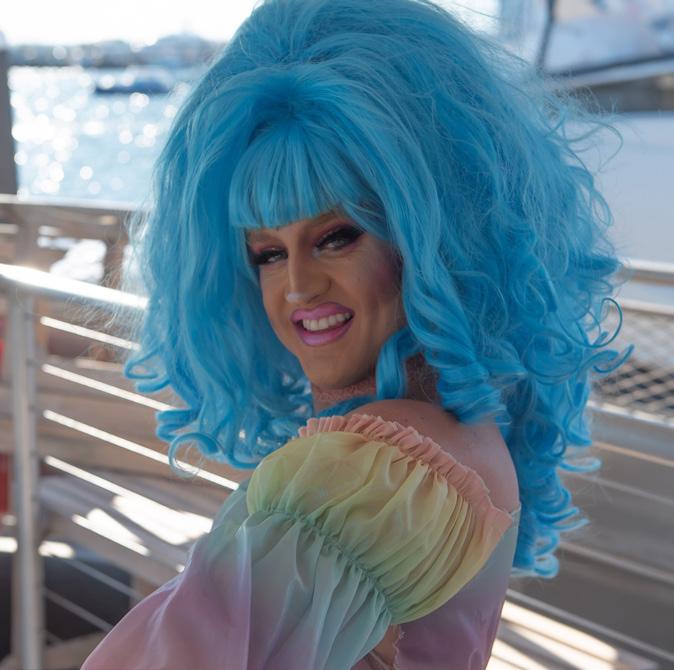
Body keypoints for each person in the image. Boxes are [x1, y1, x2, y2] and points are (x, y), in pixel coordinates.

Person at [82, 0, 632, 668]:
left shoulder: (385, 473)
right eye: (268, 254)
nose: (298, 287)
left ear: (431, 241)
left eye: (336, 237)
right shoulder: (446, 440)